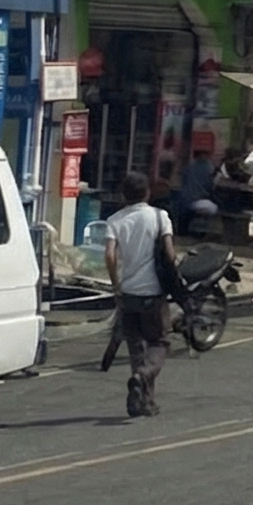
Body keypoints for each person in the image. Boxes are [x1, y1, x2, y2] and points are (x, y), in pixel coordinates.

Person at [103, 172, 174, 419]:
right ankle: (141, 378)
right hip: (153, 292)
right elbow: (169, 253)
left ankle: (143, 402)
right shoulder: (159, 216)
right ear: (147, 193)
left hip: (129, 292)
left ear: (123, 195)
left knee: (136, 348)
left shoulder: (114, 220)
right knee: (160, 342)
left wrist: (116, 285)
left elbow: (110, 255)